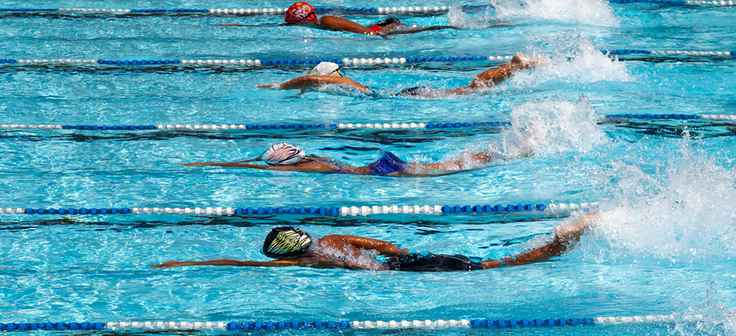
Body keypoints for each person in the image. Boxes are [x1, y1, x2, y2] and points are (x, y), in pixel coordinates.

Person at [150, 211, 598, 271]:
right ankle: (554, 244)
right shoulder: (334, 237)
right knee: (484, 262)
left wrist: (191, 263)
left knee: (494, 268)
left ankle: (557, 246)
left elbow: (244, 265)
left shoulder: (309, 262)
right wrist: (403, 255)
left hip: (407, 271)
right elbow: (383, 243)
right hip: (415, 257)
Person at [179, 139, 502, 177]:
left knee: (442, 173)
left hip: (377, 173)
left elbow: (266, 166)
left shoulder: (308, 170)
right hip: (378, 164)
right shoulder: (312, 158)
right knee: (441, 166)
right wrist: (207, 163)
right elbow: (259, 162)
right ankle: (487, 153)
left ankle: (488, 157)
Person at [257, 53, 540, 96]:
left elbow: (313, 79)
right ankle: (514, 66)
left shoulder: (341, 82)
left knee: (472, 90)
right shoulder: (342, 84)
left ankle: (514, 66)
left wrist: (282, 85)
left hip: (408, 98)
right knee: (471, 90)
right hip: (401, 97)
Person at [282, 1, 449, 36]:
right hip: (378, 27)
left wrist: (374, 35)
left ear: (303, 20)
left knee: (419, 30)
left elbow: (350, 26)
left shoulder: (326, 21)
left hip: (381, 29)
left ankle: (450, 27)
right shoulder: (315, 23)